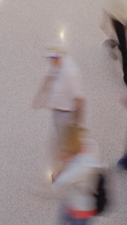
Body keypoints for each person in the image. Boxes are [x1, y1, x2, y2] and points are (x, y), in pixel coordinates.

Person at [33, 47, 86, 176]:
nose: (50, 62)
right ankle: (63, 167)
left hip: (67, 114)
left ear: (57, 58)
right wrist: (40, 96)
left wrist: (77, 122)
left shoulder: (70, 73)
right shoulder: (58, 66)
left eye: (52, 59)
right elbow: (49, 78)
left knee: (62, 145)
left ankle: (61, 172)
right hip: (58, 111)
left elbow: (79, 99)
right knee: (58, 142)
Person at [51, 122, 102, 223]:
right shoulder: (90, 144)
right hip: (85, 201)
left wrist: (61, 168)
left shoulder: (78, 169)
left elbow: (57, 183)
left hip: (79, 210)